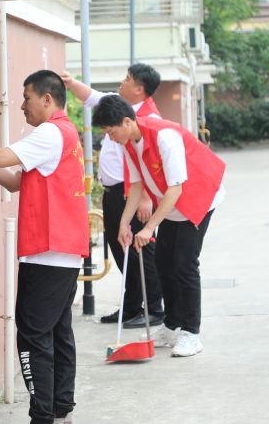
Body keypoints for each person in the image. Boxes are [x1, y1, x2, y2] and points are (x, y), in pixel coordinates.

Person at [0, 70, 88, 424]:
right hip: (62, 253)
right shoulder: (66, 133)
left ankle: (42, 416)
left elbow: (3, 157)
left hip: (47, 253)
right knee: (57, 333)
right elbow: (15, 182)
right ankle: (60, 410)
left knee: (32, 337)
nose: (21, 106)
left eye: (26, 98)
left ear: (47, 99)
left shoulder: (49, 133)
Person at [91, 94, 226, 357]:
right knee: (163, 262)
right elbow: (136, 184)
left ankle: (191, 334)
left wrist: (149, 227)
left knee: (185, 264)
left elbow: (176, 188)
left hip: (197, 196)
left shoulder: (164, 136)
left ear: (126, 121)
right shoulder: (129, 143)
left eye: (111, 132)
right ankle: (172, 326)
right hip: (172, 202)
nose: (110, 138)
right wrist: (123, 224)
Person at [61, 64, 165, 329]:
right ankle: (132, 307)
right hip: (112, 192)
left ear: (139, 89)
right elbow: (92, 96)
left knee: (141, 251)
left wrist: (145, 199)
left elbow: (149, 159)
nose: (122, 81)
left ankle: (154, 309)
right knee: (122, 251)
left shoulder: (147, 117)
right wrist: (71, 82)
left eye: (127, 79)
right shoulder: (116, 105)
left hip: (132, 193)